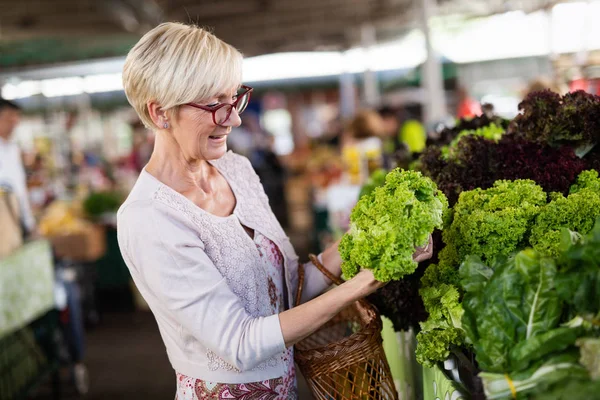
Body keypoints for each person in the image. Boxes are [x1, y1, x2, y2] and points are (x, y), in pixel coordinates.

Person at [117, 22, 433, 399]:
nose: (233, 118)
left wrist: (369, 238)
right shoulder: (150, 219)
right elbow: (240, 343)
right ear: (159, 113)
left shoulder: (238, 170)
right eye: (215, 104)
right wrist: (362, 283)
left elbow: (287, 290)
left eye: (235, 98)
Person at [0, 98, 36, 235]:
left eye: (16, 117)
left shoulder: (13, 148)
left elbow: (19, 188)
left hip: (16, 221)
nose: (14, 122)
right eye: (9, 117)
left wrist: (29, 222)